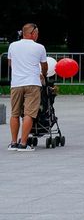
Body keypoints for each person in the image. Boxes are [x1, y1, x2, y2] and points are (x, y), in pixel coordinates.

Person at [7, 23, 48, 151]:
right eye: (37, 33)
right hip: (32, 83)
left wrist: (18, 71)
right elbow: (44, 65)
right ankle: (23, 143)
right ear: (31, 33)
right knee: (29, 113)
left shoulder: (12, 46)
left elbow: (10, 63)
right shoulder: (39, 47)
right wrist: (43, 75)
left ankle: (13, 142)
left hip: (16, 83)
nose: (38, 35)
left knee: (14, 113)